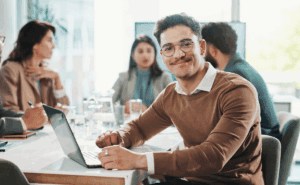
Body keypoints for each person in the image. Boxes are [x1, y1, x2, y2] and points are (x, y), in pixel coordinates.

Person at [96, 13, 264, 185]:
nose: (178, 54)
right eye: (168, 48)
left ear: (202, 47)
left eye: (186, 45)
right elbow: (139, 128)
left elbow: (214, 156)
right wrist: (119, 137)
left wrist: (138, 160)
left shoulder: (237, 90)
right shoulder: (171, 94)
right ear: (162, 56)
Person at [201, 22, 281, 140]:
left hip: (261, 142)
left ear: (212, 50)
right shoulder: (241, 67)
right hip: (264, 138)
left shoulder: (236, 74)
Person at [0, 20, 69, 113]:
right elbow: (9, 112)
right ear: (35, 44)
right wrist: (40, 118)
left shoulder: (48, 74)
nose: (53, 46)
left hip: (46, 128)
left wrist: (57, 78)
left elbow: (64, 108)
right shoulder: (10, 71)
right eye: (49, 40)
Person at [112, 34, 172, 114]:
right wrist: (122, 109)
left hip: (157, 125)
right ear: (133, 55)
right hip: (129, 124)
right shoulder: (123, 77)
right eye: (140, 51)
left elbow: (174, 109)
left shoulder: (164, 78)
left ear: (155, 54)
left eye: (149, 51)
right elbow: (108, 104)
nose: (145, 55)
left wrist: (147, 110)